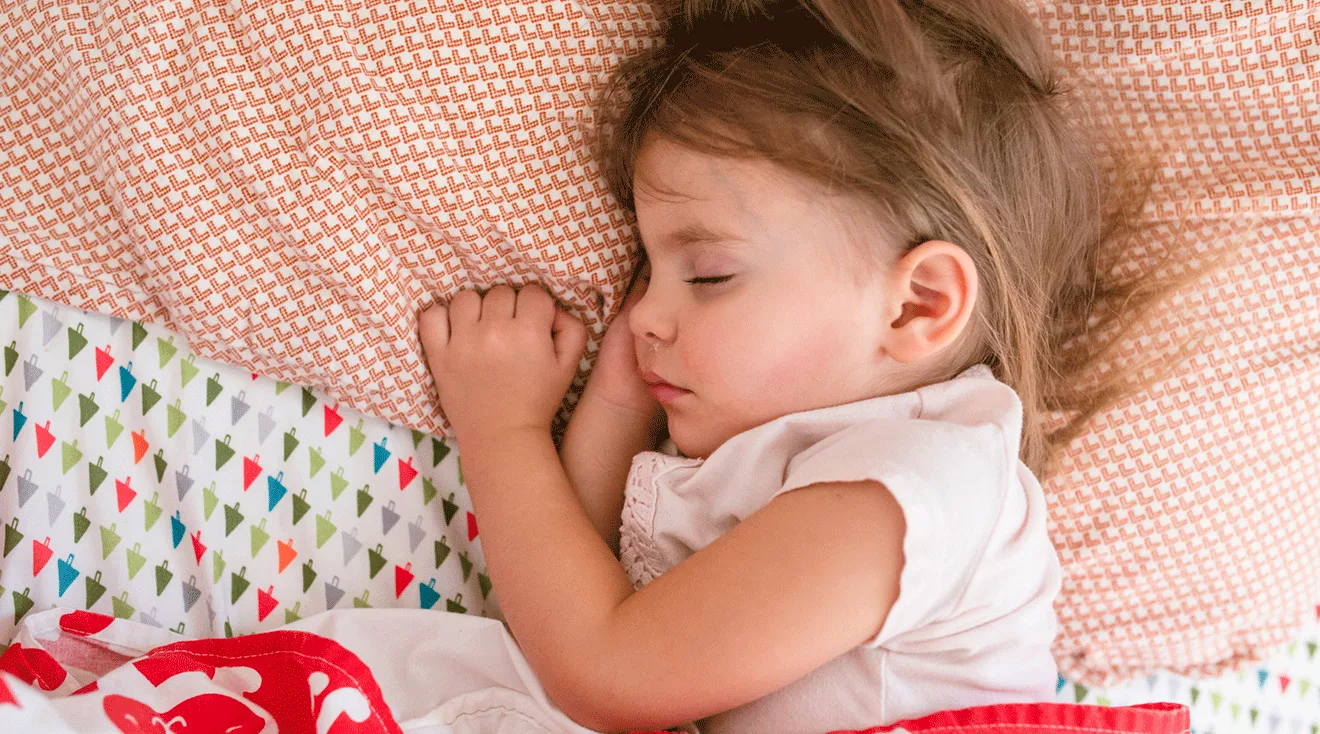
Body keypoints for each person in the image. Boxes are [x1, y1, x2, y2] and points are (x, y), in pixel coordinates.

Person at [418, 1, 1220, 732]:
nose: (646, 315)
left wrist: (502, 430)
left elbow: (600, 669)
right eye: (648, 271)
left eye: (707, 276)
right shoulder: (787, 455)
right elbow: (571, 598)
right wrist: (619, 398)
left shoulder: (914, 489)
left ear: (915, 307)